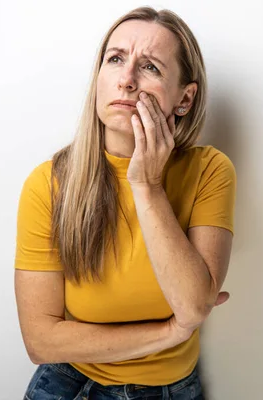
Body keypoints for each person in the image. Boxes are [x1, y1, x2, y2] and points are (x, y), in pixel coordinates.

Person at [14, 6, 236, 399]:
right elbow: (42, 342)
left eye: (150, 67)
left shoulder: (210, 171)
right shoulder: (47, 184)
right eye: (115, 59)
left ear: (184, 98)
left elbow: (194, 304)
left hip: (173, 389)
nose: (127, 80)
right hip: (69, 385)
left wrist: (147, 186)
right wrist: (170, 332)